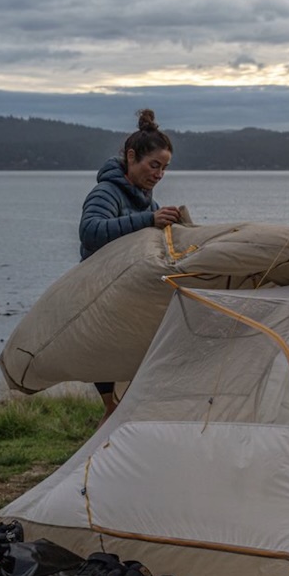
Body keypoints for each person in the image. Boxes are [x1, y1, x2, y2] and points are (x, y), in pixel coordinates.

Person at [78, 108, 182, 419]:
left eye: (164, 168)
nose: (159, 174)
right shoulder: (106, 192)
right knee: (113, 387)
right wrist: (149, 220)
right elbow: (90, 231)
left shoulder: (146, 201)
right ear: (131, 156)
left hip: (128, 294)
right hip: (101, 294)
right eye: (154, 165)